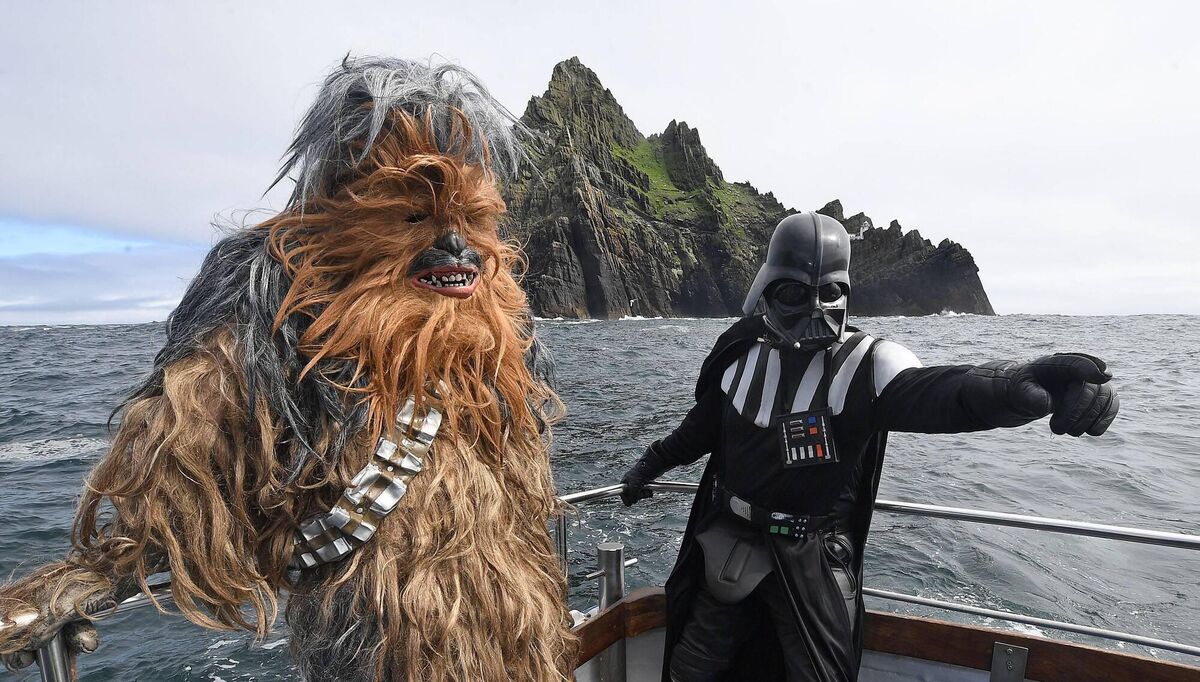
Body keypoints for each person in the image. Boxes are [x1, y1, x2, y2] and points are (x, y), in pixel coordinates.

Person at [0, 57, 577, 682]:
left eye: (472, 222)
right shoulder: (274, 325)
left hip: (522, 630)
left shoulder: (500, 349)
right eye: (415, 219)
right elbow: (184, 460)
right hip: (389, 644)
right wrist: (97, 569)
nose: (459, 248)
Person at [620, 211, 1119, 682]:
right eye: (795, 292)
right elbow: (702, 429)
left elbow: (945, 394)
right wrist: (650, 464)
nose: (815, 309)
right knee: (693, 665)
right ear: (768, 291)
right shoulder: (739, 357)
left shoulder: (865, 364)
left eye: (830, 292)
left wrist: (1022, 384)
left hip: (810, 554)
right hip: (728, 542)